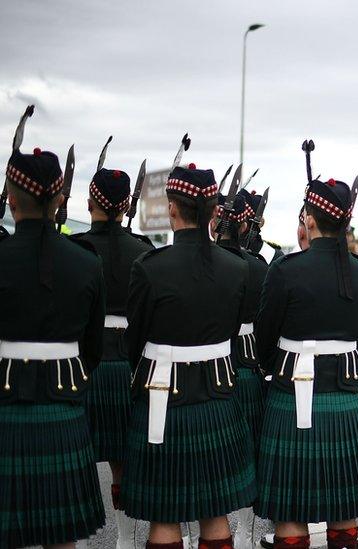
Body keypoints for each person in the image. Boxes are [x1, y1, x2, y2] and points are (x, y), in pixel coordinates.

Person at [121, 161, 254, 548]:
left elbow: (136, 340)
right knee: (215, 511)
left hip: (163, 395)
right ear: (214, 211)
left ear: (173, 209)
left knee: (166, 512)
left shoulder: (149, 268)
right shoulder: (237, 268)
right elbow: (230, 333)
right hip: (217, 396)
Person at [253, 151, 358, 549]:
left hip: (291, 392)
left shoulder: (286, 269)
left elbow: (262, 340)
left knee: (292, 510)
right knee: (344, 507)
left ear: (310, 219)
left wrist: (280, 365)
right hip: (342, 398)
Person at [0, 129, 107, 548]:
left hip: (5, 397)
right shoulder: (85, 262)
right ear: (60, 200)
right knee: (61, 534)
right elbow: (93, 348)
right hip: (64, 400)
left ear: (11, 198)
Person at [72, 159, 154, 548]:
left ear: (91, 202)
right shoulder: (143, 250)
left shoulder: (77, 248)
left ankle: (82, 541)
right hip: (126, 365)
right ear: (126, 207)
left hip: (83, 366)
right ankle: (123, 541)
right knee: (123, 461)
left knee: (78, 460)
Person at [213, 189, 272, 547]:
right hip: (248, 363)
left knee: (208, 459)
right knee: (249, 455)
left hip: (207, 365)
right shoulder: (260, 266)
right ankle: (246, 537)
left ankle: (197, 537)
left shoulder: (205, 261)